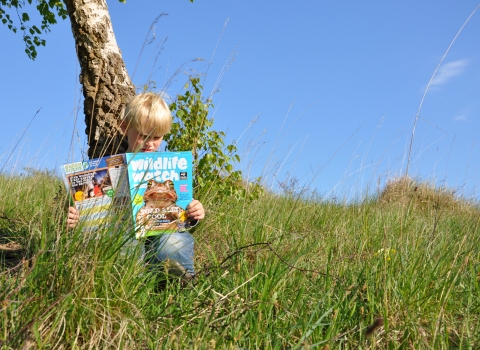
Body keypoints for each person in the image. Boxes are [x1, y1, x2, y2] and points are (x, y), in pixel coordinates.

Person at [66, 92, 205, 282]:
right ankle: (137, 284)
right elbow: (92, 217)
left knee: (171, 245)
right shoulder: (107, 169)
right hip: (122, 235)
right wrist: (76, 221)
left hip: (166, 232)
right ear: (125, 127)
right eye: (142, 135)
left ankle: (177, 282)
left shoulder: (172, 167)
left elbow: (184, 215)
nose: (149, 144)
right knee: (124, 250)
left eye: (156, 137)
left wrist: (195, 213)